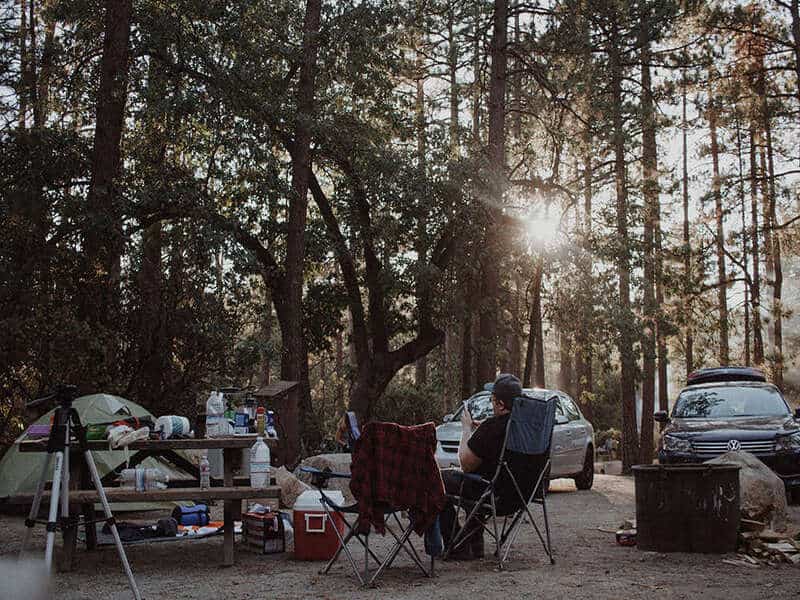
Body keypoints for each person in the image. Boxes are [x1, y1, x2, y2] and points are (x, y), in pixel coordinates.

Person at [440, 373, 524, 560]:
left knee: (436, 480)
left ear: (501, 404)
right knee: (479, 480)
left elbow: (466, 464)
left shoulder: (492, 428)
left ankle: (458, 544)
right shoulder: (524, 429)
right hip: (522, 495)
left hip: (494, 495)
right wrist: (482, 432)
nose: (491, 404)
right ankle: (474, 542)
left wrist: (466, 430)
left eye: (492, 400)